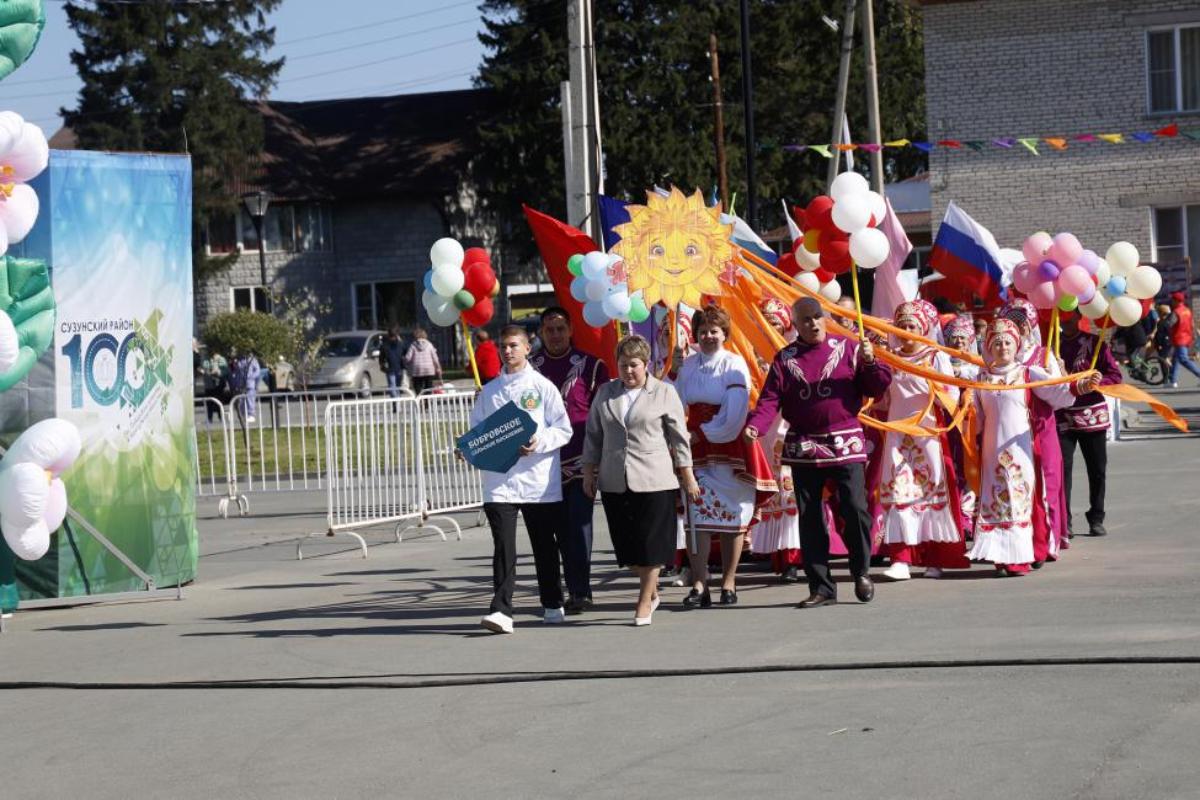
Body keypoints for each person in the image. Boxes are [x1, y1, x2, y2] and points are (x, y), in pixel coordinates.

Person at [744, 297, 892, 608]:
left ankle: (861, 570)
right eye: (805, 320)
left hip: (845, 441)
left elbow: (876, 387)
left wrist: (870, 362)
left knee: (854, 508)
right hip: (804, 445)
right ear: (794, 325)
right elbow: (770, 399)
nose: (813, 323)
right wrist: (756, 426)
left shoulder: (849, 348)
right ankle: (821, 586)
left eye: (817, 317)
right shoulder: (786, 359)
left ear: (824, 317)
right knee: (810, 518)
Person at [582, 335, 698, 625]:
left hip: (654, 478)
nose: (628, 371)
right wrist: (589, 470)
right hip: (614, 479)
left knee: (651, 543)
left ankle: (645, 599)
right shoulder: (605, 393)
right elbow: (593, 434)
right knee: (628, 547)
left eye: (634, 365)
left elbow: (679, 438)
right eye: (623, 365)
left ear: (646, 364)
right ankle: (651, 587)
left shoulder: (663, 392)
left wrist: (687, 473)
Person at [971, 319, 1100, 576]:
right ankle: (1001, 558)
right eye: (996, 343)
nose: (1002, 347)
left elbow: (1058, 391)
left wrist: (1081, 385)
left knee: (1022, 499)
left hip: (1022, 449)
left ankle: (1023, 557)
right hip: (991, 451)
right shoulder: (981, 378)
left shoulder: (1028, 373)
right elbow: (976, 418)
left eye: (1007, 342)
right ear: (988, 347)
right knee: (997, 501)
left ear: (1016, 345)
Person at [468, 325, 573, 634]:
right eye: (503, 345)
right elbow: (478, 430)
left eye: (514, 345)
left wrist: (538, 441)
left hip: (537, 482)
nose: (507, 350)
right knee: (504, 546)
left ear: (528, 348)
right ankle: (501, 610)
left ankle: (552, 602)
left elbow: (563, 428)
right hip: (500, 482)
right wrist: (470, 448)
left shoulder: (543, 387)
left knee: (543, 545)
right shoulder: (489, 391)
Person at [675, 305, 776, 608]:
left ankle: (729, 582)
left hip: (728, 444)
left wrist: (702, 434)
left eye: (714, 331)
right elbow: (674, 403)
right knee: (696, 517)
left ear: (725, 334)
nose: (708, 336)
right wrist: (672, 372)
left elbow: (734, 414)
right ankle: (698, 583)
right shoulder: (688, 365)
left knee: (732, 515)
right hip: (695, 447)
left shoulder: (735, 364)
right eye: (703, 331)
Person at [878, 302, 970, 580]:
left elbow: (952, 395)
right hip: (897, 434)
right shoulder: (888, 357)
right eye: (902, 326)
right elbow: (882, 398)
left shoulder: (935, 356)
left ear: (924, 329)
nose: (907, 332)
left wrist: (939, 390)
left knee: (932, 493)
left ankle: (935, 559)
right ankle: (901, 559)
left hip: (928, 434)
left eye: (912, 326)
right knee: (899, 492)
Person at [529, 306, 610, 613]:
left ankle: (580, 590)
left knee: (578, 525)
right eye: (550, 329)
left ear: (571, 330)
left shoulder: (591, 366)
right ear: (540, 333)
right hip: (540, 463)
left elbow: (603, 413)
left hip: (580, 462)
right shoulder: (529, 368)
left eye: (561, 328)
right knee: (553, 531)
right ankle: (555, 591)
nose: (556, 335)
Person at [1001, 298, 1068, 560]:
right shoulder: (998, 354)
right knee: (1016, 483)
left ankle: (1050, 539)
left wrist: (1052, 378)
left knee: (1047, 480)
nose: (1019, 328)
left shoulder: (1043, 355)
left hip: (1040, 427)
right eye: (1012, 323)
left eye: (1023, 323)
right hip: (1009, 432)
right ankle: (1022, 538)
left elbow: (1059, 396)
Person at [1056, 313, 1123, 538]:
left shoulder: (1095, 344)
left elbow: (1115, 376)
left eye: (1069, 318)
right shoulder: (1052, 347)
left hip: (1092, 417)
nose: (1066, 323)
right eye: (1062, 319)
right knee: (1062, 472)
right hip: (1062, 416)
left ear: (1078, 317)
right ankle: (1065, 522)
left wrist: (1097, 383)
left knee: (1097, 471)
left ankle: (1096, 517)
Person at [1167, 291, 1200, 388]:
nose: (1171, 301)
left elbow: (1169, 324)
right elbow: (1192, 324)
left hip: (1179, 338)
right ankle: (1172, 381)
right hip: (1186, 337)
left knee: (1183, 359)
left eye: (1172, 300)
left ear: (1176, 301)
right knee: (1175, 359)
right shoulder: (1187, 310)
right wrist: (1193, 335)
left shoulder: (1176, 312)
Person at [405, 327, 441, 394]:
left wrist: (406, 363)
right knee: (428, 387)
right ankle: (427, 401)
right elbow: (435, 358)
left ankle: (420, 401)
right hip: (429, 369)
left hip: (417, 370)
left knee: (417, 386)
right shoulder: (429, 345)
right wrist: (438, 367)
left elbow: (408, 358)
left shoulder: (413, 345)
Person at [230, 350, 261, 424]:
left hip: (249, 383)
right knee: (241, 400)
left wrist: (251, 377)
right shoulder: (239, 361)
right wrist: (235, 383)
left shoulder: (252, 360)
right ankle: (243, 415)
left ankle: (251, 415)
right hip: (241, 384)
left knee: (250, 399)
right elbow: (237, 373)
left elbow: (257, 371)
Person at [379, 326, 405, 398]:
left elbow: (381, 357)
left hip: (395, 368)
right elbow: (381, 357)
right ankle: (396, 404)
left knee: (395, 387)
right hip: (393, 369)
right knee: (394, 387)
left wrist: (382, 365)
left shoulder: (399, 344)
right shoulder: (386, 345)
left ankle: (396, 404)